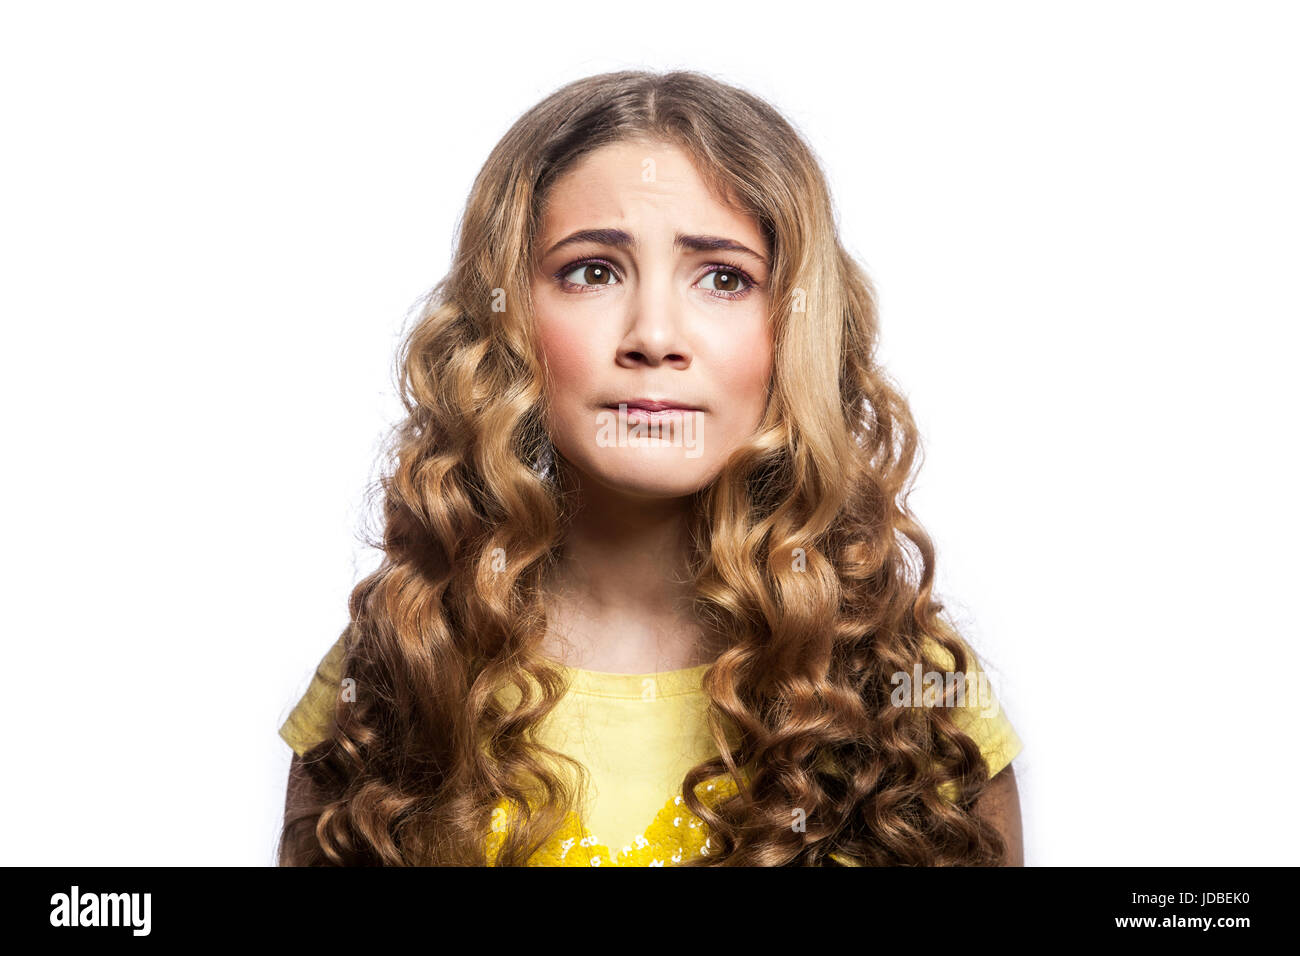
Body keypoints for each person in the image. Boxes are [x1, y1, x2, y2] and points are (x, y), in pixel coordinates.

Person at [277, 69, 1024, 866]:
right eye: (592, 271)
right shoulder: (399, 664)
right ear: (512, 318)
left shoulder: (915, 690)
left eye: (725, 279)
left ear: (792, 333)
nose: (655, 335)